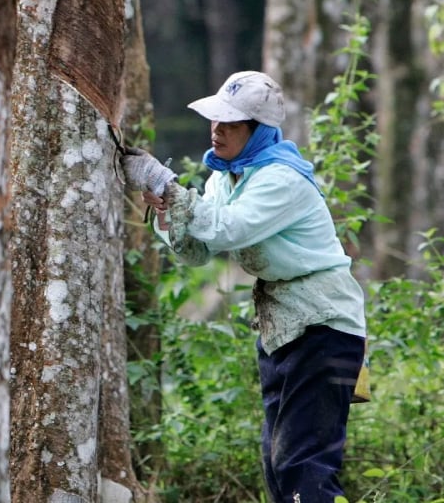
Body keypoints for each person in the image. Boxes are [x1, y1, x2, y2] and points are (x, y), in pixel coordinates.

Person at [121, 70, 367, 503]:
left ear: (258, 131)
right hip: (283, 328)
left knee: (302, 463)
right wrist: (165, 212)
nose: (216, 130)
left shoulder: (280, 178)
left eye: (230, 123)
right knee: (278, 462)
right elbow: (199, 250)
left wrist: (166, 183)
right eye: (216, 120)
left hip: (324, 328)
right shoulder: (225, 178)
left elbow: (227, 229)